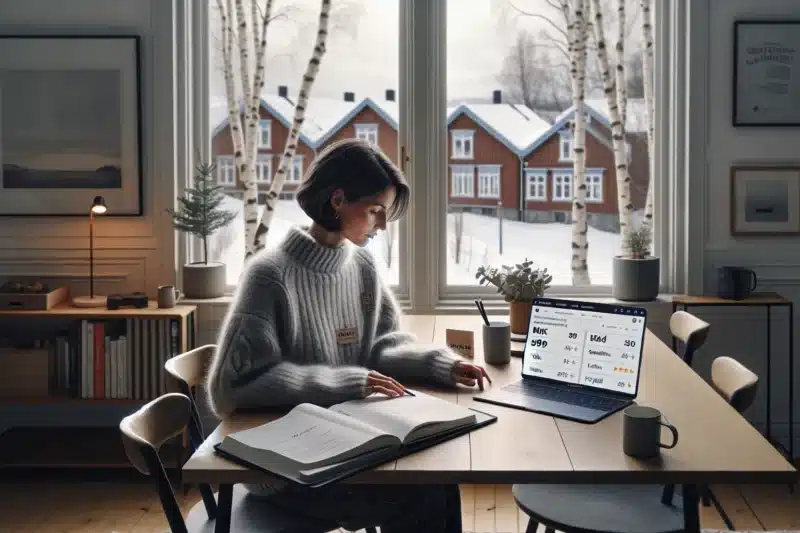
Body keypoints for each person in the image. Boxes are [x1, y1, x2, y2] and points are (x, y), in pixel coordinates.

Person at [205, 137, 491, 533]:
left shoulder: (362, 268)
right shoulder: (269, 275)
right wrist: (344, 382)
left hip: (347, 444)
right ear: (337, 199)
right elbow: (231, 388)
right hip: (282, 465)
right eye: (376, 211)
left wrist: (440, 363)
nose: (383, 225)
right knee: (421, 494)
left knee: (439, 477)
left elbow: (381, 345)